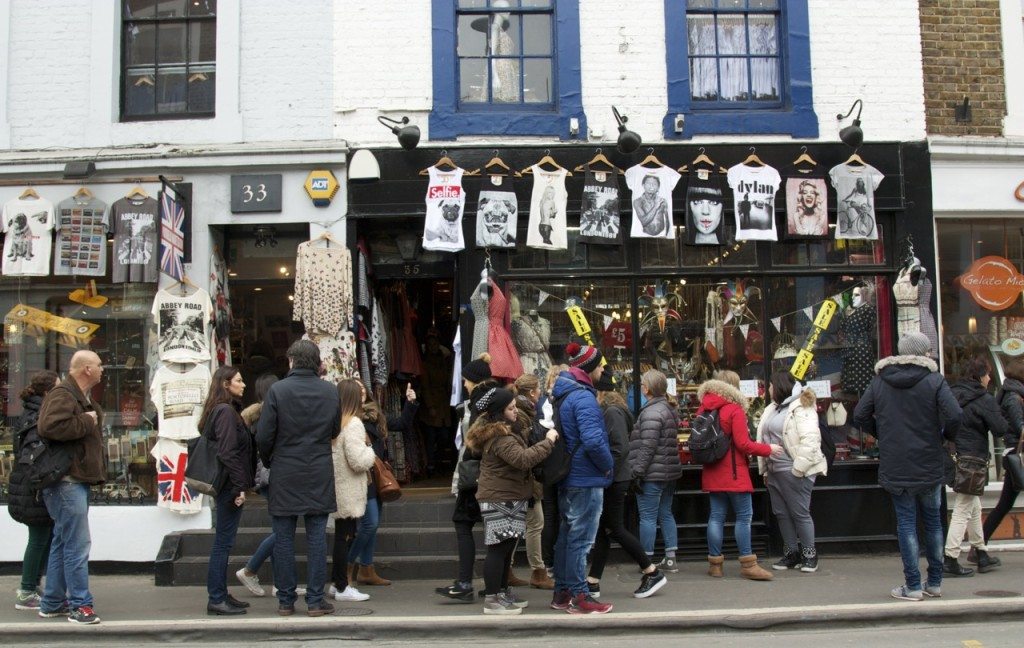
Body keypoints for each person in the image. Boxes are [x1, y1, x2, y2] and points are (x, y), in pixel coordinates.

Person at [853, 332, 963, 601]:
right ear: (923, 353)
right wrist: (944, 436)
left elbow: (859, 415)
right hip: (929, 461)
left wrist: (883, 434)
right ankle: (934, 582)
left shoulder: (881, 381)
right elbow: (956, 415)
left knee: (906, 524)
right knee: (934, 523)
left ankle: (912, 586)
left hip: (897, 462)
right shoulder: (934, 380)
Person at [256, 340, 340, 617]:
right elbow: (334, 429)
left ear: (291, 360)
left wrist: (271, 461)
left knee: (283, 539)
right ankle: (315, 600)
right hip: (318, 469)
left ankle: (286, 600)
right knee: (317, 538)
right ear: (317, 362)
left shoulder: (278, 391)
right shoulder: (330, 391)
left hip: (285, 470)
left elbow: (264, 436)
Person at [467, 386, 557, 614]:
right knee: (498, 549)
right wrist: (548, 441)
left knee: (506, 548)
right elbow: (523, 459)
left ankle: (502, 593)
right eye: (510, 408)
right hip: (500, 497)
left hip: (508, 495)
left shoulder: (503, 432)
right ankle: (492, 599)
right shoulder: (500, 437)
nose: (515, 411)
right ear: (499, 411)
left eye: (515, 406)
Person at [35, 350, 105, 624]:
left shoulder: (77, 394)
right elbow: (48, 427)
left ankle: (52, 602)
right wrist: (87, 421)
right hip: (66, 480)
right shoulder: (63, 394)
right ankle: (80, 605)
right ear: (86, 368)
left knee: (63, 541)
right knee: (77, 544)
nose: (102, 369)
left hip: (72, 479)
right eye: (98, 365)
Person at [550, 343, 614, 614]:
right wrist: (607, 465)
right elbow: (593, 440)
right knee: (581, 539)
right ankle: (579, 595)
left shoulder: (564, 393)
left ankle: (563, 592)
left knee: (567, 535)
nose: (602, 369)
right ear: (589, 368)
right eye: (599, 365)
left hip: (569, 476)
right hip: (585, 477)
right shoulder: (584, 397)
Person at [698, 370, 781, 580]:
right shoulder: (734, 410)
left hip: (712, 472)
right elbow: (744, 444)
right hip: (734, 474)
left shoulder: (704, 408)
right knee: (744, 518)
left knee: (716, 518)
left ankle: (715, 564)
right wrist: (768, 449)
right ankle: (748, 563)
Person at [589, 377, 667, 598]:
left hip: (615, 478)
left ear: (600, 394)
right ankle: (592, 582)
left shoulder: (611, 412)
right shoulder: (616, 410)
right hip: (616, 477)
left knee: (614, 528)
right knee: (605, 530)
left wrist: (606, 470)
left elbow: (619, 448)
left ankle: (651, 571)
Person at [435, 354, 497, 602]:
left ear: (474, 380)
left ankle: (464, 583)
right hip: (491, 474)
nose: (464, 385)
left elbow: (472, 443)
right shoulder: (495, 400)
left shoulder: (477, 405)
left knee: (463, 524)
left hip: (474, 474)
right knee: (495, 529)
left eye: (465, 380)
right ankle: (497, 584)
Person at [756, 371, 828, 574]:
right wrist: (765, 468)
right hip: (774, 470)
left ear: (779, 386)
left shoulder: (801, 407)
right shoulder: (774, 408)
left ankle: (810, 554)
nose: (768, 389)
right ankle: (791, 553)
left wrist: (799, 468)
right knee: (781, 513)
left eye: (770, 385)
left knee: (800, 513)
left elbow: (811, 439)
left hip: (792, 469)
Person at [199, 366, 256, 616]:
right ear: (225, 383)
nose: (243, 385)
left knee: (225, 541)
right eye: (239, 380)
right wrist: (239, 486)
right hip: (228, 487)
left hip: (228, 484)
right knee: (223, 542)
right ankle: (217, 597)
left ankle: (220, 593)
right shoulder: (224, 412)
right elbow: (227, 452)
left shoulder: (223, 409)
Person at [350, 381, 417, 588]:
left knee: (372, 524)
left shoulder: (375, 415)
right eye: (356, 389)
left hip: (376, 477)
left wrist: (410, 402)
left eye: (363, 388)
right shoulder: (346, 420)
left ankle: (366, 569)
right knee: (369, 523)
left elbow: (401, 423)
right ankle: (347, 564)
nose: (361, 391)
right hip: (359, 477)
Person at [944, 357, 1007, 576]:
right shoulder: (983, 398)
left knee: (973, 506)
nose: (989, 378)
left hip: (954, 456)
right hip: (973, 459)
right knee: (963, 508)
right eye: (987, 374)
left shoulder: (951, 393)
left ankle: (981, 552)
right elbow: (999, 428)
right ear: (980, 375)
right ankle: (950, 559)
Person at [8, 370, 58, 611]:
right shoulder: (39, 415)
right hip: (34, 487)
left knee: (43, 537)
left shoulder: (31, 411)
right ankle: (26, 590)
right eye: (57, 387)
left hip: (29, 485)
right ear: (48, 391)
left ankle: (32, 586)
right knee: (38, 538)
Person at [628, 369, 683, 573]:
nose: (641, 387)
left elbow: (647, 447)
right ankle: (670, 559)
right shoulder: (667, 409)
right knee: (666, 513)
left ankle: (647, 562)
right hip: (669, 473)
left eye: (642, 384)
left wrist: (637, 472)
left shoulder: (651, 412)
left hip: (652, 474)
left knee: (648, 518)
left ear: (648, 389)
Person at [329, 380, 378, 603]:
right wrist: (371, 452)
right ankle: (342, 586)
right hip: (350, 488)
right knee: (345, 537)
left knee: (342, 535)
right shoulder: (354, 423)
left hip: (337, 487)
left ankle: (337, 583)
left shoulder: (335, 422)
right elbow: (358, 461)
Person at [509, 374, 554, 589]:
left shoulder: (522, 410)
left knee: (520, 525)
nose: (540, 393)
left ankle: (509, 569)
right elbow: (527, 448)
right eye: (538, 389)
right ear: (531, 392)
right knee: (535, 523)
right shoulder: (522, 414)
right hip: (525, 478)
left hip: (521, 478)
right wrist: (547, 438)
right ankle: (538, 571)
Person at [236, 373, 279, 598]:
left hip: (263, 477)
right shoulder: (268, 415)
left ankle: (281, 583)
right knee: (282, 530)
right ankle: (250, 569)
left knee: (280, 529)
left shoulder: (252, 416)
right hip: (272, 475)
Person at [981, 358, 1024, 555]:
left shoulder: (1011, 393)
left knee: (1004, 504)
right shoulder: (1014, 398)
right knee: (1004, 504)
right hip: (1019, 455)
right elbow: (1019, 427)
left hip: (1015, 455)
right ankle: (979, 546)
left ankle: (979, 545)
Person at [538, 363, 568, 578]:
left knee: (550, 514)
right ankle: (560, 560)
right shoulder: (564, 403)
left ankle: (549, 563)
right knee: (564, 515)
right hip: (564, 465)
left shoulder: (541, 403)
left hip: (545, 463)